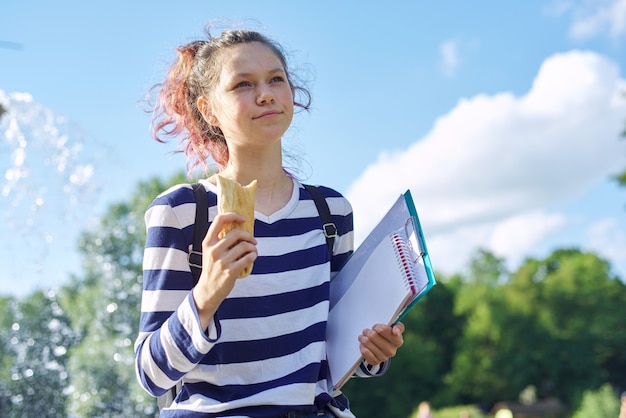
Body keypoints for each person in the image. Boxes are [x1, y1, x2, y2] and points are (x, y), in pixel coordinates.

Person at [133, 26, 405, 418]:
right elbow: (151, 374)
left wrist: (374, 352)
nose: (266, 94)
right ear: (208, 108)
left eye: (276, 79)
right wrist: (207, 293)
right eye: (243, 84)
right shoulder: (181, 212)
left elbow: (333, 353)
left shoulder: (330, 212)